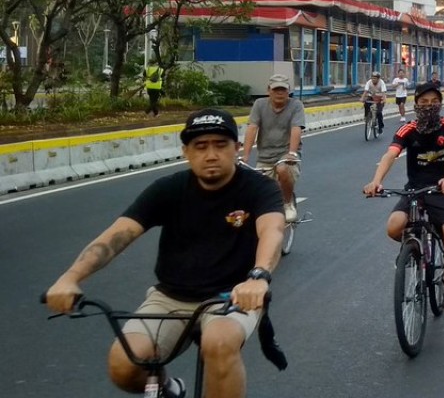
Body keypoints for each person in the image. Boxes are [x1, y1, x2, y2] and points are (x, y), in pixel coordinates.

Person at [44, 108, 283, 398]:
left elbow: (272, 231)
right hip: (169, 297)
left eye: (220, 145)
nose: (211, 154)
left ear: (236, 148)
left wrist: (258, 277)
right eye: (200, 146)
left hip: (232, 296)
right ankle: (169, 388)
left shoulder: (259, 188)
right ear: (186, 151)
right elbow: (117, 237)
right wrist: (71, 278)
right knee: (124, 364)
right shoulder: (168, 189)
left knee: (219, 345)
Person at [363, 84, 444, 308]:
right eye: (424, 103)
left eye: (433, 102)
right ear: (416, 105)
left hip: (442, 188)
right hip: (414, 189)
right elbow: (391, 154)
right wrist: (376, 181)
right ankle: (414, 248)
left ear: (440, 103)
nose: (429, 107)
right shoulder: (407, 129)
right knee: (393, 227)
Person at [242, 74, 306, 222]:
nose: (279, 93)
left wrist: (291, 152)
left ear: (288, 91)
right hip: (265, 156)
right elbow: (252, 128)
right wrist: (245, 155)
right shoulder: (259, 104)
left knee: (282, 169)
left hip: (286, 155)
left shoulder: (296, 105)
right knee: (257, 191)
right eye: (276, 89)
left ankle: (288, 203)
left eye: (283, 90)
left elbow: (296, 129)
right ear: (268, 90)